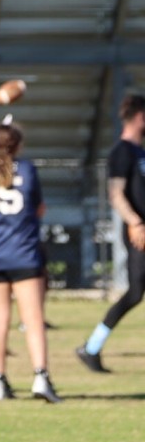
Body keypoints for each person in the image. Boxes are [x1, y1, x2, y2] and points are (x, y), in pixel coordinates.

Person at [0, 122, 62, 403]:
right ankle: (40, 377)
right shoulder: (27, 169)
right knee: (33, 320)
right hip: (24, 254)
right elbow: (39, 208)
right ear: (18, 146)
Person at [77, 94, 145, 373]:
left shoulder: (140, 152)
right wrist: (135, 222)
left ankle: (91, 347)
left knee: (136, 293)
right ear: (140, 117)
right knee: (135, 293)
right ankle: (91, 347)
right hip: (139, 234)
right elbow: (116, 194)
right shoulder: (122, 151)